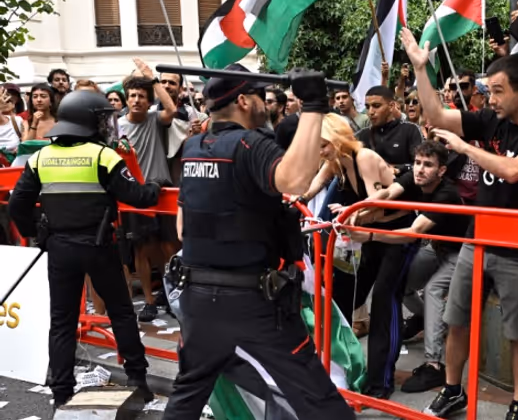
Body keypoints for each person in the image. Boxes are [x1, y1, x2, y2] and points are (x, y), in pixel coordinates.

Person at [161, 68, 355, 420]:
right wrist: (314, 105)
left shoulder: (194, 148)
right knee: (315, 396)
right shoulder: (250, 144)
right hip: (254, 301)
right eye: (260, 96)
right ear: (243, 100)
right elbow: (294, 181)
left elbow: (182, 226)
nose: (265, 103)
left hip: (199, 299)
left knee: (188, 393)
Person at [401, 28, 518, 420]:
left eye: (497, 91)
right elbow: (437, 116)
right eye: (488, 91)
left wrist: (464, 148)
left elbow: (514, 171)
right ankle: (452, 390)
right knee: (456, 321)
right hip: (476, 241)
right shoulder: (492, 120)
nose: (490, 99)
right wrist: (421, 70)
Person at [8, 91, 163, 411]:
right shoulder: (103, 156)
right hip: (99, 247)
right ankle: (138, 381)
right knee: (121, 313)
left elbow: (17, 205)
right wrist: (156, 187)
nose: (106, 125)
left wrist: (36, 234)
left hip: (60, 248)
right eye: (102, 119)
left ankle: (62, 392)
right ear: (87, 122)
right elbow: (137, 196)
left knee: (62, 322)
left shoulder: (40, 158)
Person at [300, 114, 408, 399]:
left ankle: (381, 381)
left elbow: (377, 206)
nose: (321, 151)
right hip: (367, 236)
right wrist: (295, 201)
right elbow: (312, 187)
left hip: (397, 235)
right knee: (343, 296)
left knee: (384, 301)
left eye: (324, 145)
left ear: (337, 139)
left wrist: (351, 214)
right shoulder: (336, 161)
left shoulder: (364, 158)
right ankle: (344, 368)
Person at [350, 140, 471, 393]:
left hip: (461, 251)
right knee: (403, 284)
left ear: (441, 170)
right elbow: (386, 195)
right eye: (417, 163)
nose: (420, 169)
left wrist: (369, 235)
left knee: (433, 290)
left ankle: (433, 364)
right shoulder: (413, 178)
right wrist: (355, 211)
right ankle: (429, 319)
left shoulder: (447, 194)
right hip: (436, 247)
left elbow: (413, 232)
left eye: (428, 165)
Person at [119, 58, 177, 322]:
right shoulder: (117, 126)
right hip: (133, 194)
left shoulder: (155, 118)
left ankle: (171, 294)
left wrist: (152, 78)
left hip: (162, 192)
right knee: (141, 249)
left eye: (141, 96)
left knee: (168, 246)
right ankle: (150, 301)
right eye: (132, 95)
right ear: (126, 99)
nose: (136, 100)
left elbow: (171, 108)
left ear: (149, 100)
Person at [356, 85, 423, 175]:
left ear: (391, 106)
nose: (371, 112)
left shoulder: (410, 130)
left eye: (376, 106)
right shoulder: (363, 135)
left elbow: (421, 164)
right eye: (367, 107)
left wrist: (398, 170)